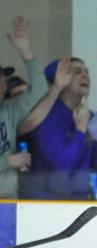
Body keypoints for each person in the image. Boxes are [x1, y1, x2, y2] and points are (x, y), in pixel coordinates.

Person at [18, 57, 97, 199]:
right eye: (77, 72)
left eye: (86, 71)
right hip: (46, 203)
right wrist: (80, 129)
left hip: (79, 201)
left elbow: (96, 163)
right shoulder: (46, 116)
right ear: (59, 80)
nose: (85, 75)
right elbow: (62, 165)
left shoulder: (89, 116)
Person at [0, 16, 47, 199]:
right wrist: (8, 161)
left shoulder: (9, 109)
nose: (2, 87)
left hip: (9, 199)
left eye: (3, 82)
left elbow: (40, 89)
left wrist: (26, 51)